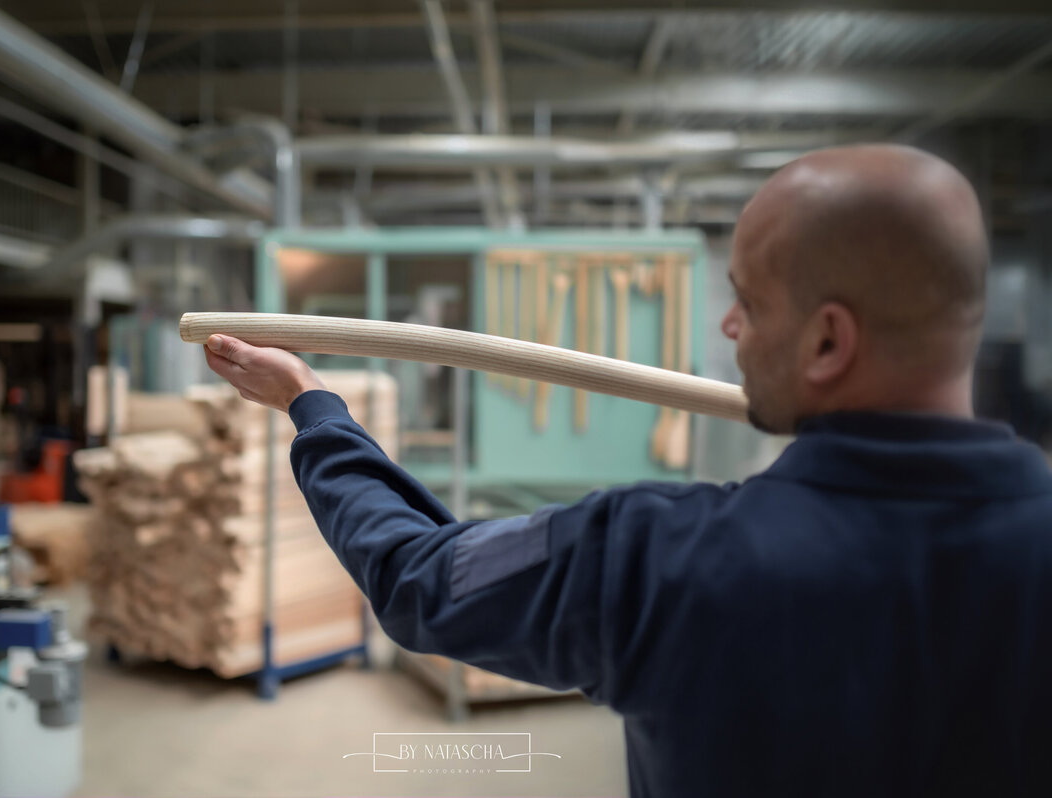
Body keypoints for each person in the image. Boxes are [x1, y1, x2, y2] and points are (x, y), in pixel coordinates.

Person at [204, 145, 1052, 797]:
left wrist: (311, 405)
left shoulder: (658, 558)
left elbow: (417, 576)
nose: (728, 329)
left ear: (828, 341)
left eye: (748, 304)